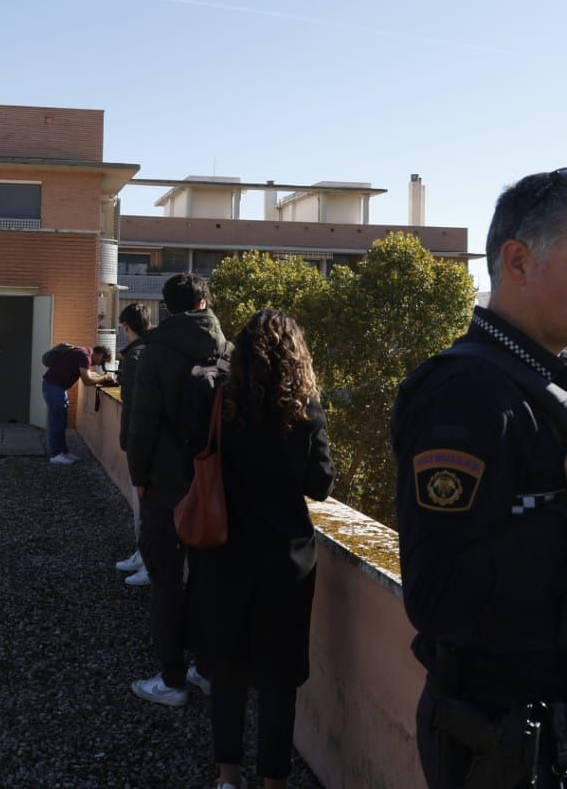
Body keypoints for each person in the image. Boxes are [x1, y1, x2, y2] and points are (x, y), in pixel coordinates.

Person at [392, 169, 567, 789]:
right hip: (512, 750)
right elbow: (439, 599)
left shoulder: (555, 384)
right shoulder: (466, 394)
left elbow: (557, 551)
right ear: (518, 261)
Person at [187, 309, 334, 789]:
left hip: (223, 552)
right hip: (284, 560)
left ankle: (227, 777)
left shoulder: (219, 401)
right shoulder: (305, 407)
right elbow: (321, 485)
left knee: (226, 669)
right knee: (278, 678)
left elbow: (194, 451)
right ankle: (274, 781)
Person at [127, 272, 230, 707]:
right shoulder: (229, 351)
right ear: (205, 303)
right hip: (216, 486)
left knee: (167, 584)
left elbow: (142, 424)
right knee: (210, 581)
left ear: (168, 308)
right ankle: (207, 669)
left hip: (167, 486)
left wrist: (140, 477)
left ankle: (171, 680)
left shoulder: (155, 353)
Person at [114, 303, 154, 585]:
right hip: (155, 441)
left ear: (126, 327)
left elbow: (132, 407)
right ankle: (143, 555)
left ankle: (147, 559)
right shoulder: (153, 352)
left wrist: (127, 441)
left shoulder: (134, 358)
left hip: (141, 441)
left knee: (144, 506)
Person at [41, 342, 114, 464]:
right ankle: (56, 455)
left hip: (58, 388)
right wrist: (105, 378)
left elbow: (87, 375)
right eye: (102, 361)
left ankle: (63, 452)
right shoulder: (84, 356)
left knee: (62, 422)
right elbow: (87, 380)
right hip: (54, 387)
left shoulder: (83, 352)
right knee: (56, 422)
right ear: (100, 354)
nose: (100, 364)